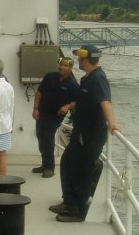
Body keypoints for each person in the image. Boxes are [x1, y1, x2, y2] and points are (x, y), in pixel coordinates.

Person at [50, 45, 121, 222]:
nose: (78, 61)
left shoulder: (98, 79)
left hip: (90, 136)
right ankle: (69, 202)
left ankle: (78, 211)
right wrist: (70, 105)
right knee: (67, 164)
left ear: (84, 59)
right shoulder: (87, 79)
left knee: (81, 171)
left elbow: (105, 102)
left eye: (79, 58)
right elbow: (84, 101)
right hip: (80, 133)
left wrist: (112, 123)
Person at [32, 57, 79, 178]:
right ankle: (44, 164)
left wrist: (68, 106)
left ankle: (50, 167)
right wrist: (35, 108)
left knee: (47, 137)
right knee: (40, 136)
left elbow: (79, 101)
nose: (62, 67)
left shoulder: (73, 84)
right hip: (42, 112)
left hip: (55, 116)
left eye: (65, 66)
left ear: (70, 68)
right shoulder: (50, 76)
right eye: (61, 65)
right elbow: (39, 92)